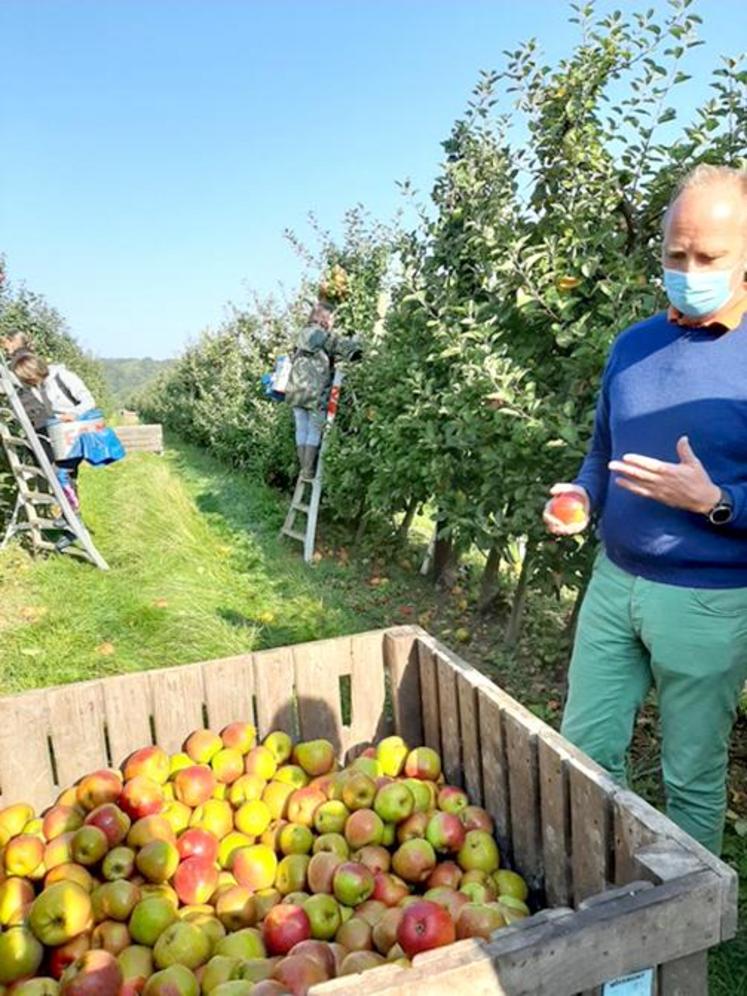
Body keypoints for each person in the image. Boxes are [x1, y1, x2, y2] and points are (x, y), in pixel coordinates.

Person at [544, 164, 747, 855]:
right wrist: (582, 495)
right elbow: (602, 449)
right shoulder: (633, 346)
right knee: (585, 747)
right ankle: (598, 876)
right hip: (613, 581)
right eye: (675, 255)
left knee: (690, 774)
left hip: (708, 600)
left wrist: (717, 502)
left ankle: (686, 908)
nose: (689, 272)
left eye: (709, 257)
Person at [285, 301, 361, 481]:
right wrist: (359, 349)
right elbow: (341, 346)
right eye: (332, 318)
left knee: (301, 428)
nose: (333, 322)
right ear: (324, 318)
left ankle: (304, 468)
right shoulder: (322, 336)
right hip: (315, 392)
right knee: (314, 429)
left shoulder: (301, 334)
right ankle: (309, 469)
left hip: (295, 391)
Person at [11, 351, 96, 512]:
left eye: (27, 379)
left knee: (62, 471)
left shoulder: (63, 377)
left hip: (79, 428)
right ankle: (70, 514)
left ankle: (70, 513)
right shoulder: (37, 386)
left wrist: (74, 414)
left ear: (33, 372)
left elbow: (89, 401)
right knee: (63, 473)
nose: (28, 383)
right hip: (63, 432)